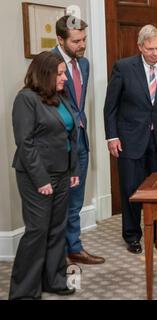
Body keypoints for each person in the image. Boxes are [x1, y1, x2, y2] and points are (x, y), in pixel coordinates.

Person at [104, 24, 157, 254]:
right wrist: (112, 136)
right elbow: (111, 107)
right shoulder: (123, 68)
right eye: (150, 49)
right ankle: (132, 235)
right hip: (130, 139)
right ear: (140, 47)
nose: (155, 53)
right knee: (131, 187)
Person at [9, 51, 80, 299]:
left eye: (64, 73)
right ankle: (24, 292)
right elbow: (25, 143)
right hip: (36, 175)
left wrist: (73, 170)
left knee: (57, 229)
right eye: (59, 74)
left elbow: (71, 135)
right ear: (44, 74)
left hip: (62, 172)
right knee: (37, 231)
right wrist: (41, 180)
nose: (64, 79)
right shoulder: (26, 99)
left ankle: (54, 280)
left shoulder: (61, 96)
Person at [53, 15, 105, 265]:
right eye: (76, 41)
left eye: (84, 39)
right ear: (60, 40)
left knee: (76, 199)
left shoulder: (83, 64)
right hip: (60, 145)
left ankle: (74, 247)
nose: (82, 45)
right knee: (59, 202)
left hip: (81, 141)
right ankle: (57, 255)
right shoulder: (50, 65)